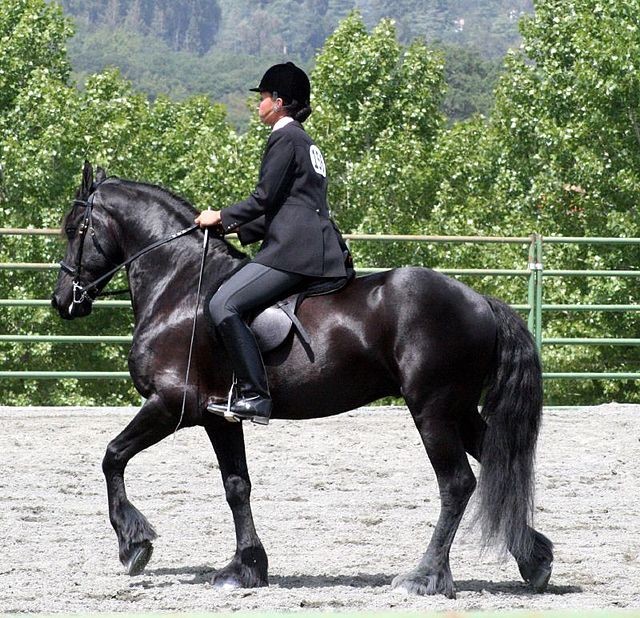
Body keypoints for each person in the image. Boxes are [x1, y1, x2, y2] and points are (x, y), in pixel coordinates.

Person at [195, 62, 352, 426]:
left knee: (223, 304)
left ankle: (255, 395)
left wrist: (218, 216)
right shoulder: (305, 141)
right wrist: (234, 231)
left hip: (294, 251)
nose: (259, 104)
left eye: (263, 97)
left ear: (279, 102)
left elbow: (264, 198)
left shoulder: (284, 137)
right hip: (313, 243)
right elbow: (286, 206)